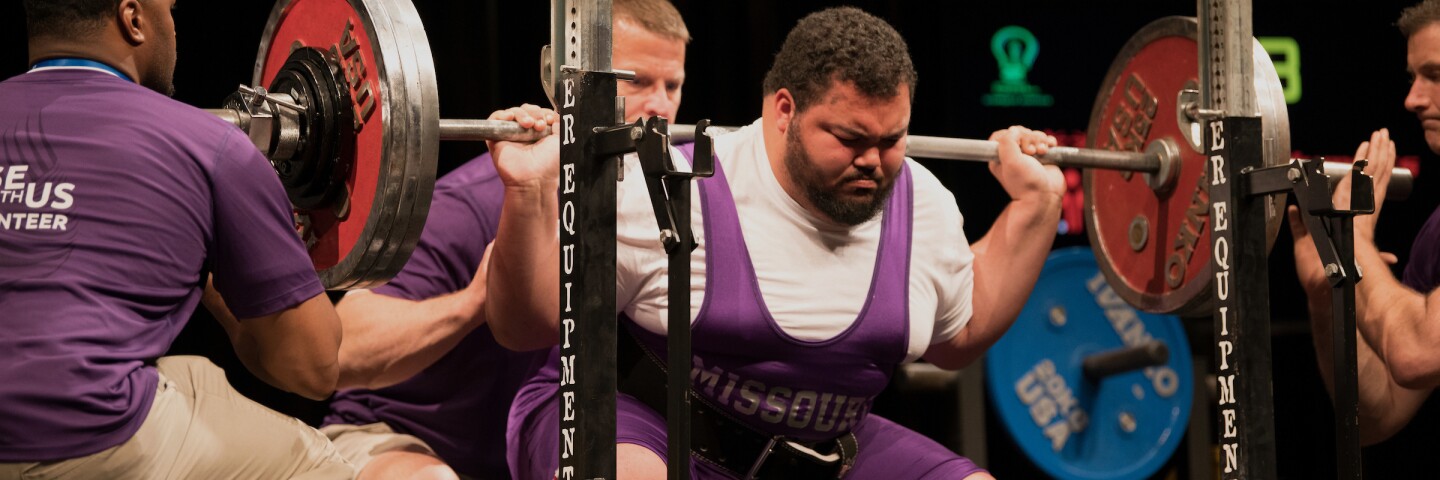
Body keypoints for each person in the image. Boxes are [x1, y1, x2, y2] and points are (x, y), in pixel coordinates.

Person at [488, 7, 1063, 479]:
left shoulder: (926, 206)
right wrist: (527, 189)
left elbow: (957, 338)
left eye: (891, 140)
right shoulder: (666, 188)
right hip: (647, 424)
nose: (873, 161)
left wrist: (1037, 207)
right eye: (849, 138)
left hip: (820, 449)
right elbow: (525, 328)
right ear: (783, 110)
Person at [318, 0, 689, 478]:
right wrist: (476, 300)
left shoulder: (674, 205)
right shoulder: (468, 206)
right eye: (636, 79)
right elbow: (342, 352)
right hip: (403, 443)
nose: (660, 106)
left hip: (542, 453)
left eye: (672, 85)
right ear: (561, 78)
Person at [0, 0, 352, 478]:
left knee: (185, 378)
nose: (173, 23)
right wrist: (212, 260)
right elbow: (311, 367)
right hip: (89, 433)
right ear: (133, 19)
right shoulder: (209, 145)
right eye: (168, 9)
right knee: (320, 462)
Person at [1292, 0, 1440, 449]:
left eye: (1434, 75)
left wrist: (1354, 238)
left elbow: (1414, 352)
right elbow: (1379, 415)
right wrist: (1328, 294)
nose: (1412, 98)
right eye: (1413, 77)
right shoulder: (1436, 236)